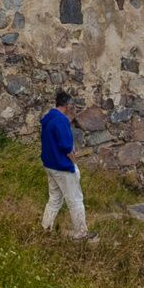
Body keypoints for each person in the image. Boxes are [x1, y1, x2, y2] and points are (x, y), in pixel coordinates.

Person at [37, 90, 88, 237]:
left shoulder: (48, 118)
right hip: (62, 166)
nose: (72, 108)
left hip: (50, 165)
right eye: (72, 106)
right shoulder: (61, 120)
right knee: (75, 200)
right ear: (67, 105)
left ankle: (45, 228)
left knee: (54, 199)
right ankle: (81, 233)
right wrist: (74, 162)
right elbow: (66, 146)